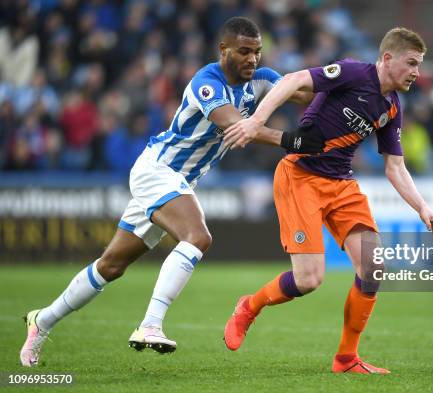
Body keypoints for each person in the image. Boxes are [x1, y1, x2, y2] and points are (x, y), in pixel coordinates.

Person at [19, 16, 323, 367]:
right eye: (243, 51)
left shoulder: (261, 79)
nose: (252, 59)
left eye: (257, 52)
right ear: (223, 50)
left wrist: (339, 89)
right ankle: (150, 325)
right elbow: (234, 126)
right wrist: (292, 140)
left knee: (111, 266)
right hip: (158, 171)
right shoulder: (206, 82)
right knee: (198, 236)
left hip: (179, 181)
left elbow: (303, 91)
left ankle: (41, 321)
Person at [222, 27, 433, 374]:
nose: (417, 72)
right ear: (387, 59)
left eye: (419, 64)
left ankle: (346, 359)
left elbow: (395, 166)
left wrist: (423, 207)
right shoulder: (355, 73)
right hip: (301, 176)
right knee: (308, 280)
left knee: (373, 266)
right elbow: (294, 79)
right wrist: (256, 121)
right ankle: (249, 306)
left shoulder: (392, 108)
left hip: (341, 183)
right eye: (412, 63)